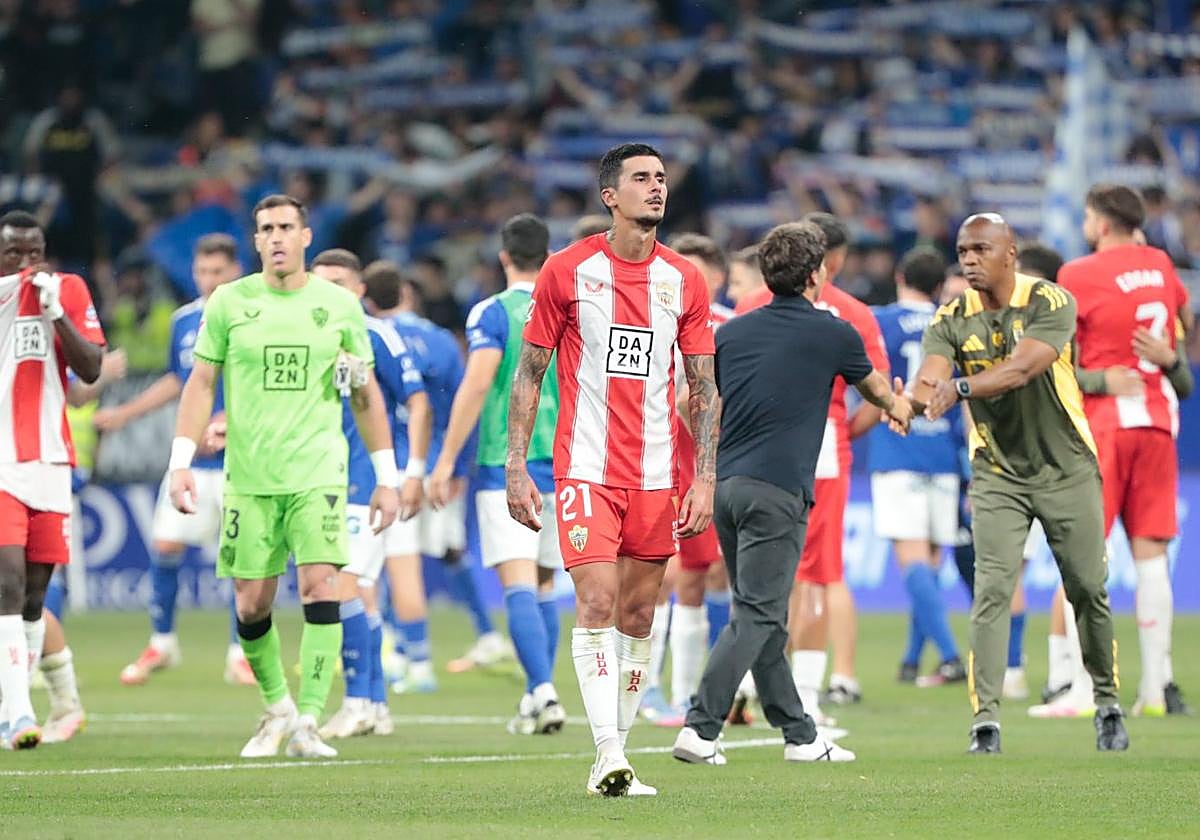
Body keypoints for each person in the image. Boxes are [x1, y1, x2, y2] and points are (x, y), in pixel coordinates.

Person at [506, 143, 720, 797]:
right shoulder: (566, 272)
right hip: (585, 471)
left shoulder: (684, 279)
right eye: (641, 179)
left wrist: (704, 477)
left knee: (637, 615)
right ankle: (606, 753)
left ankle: (616, 757)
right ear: (609, 195)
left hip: (658, 476)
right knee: (596, 601)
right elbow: (530, 374)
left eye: (660, 179)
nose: (656, 188)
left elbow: (704, 388)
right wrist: (518, 465)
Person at [168, 194, 400, 759]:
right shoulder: (229, 302)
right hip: (248, 475)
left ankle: (311, 721)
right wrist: (179, 463)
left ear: (305, 236)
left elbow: (366, 394)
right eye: (265, 228)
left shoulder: (339, 307)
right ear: (256, 241)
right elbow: (201, 385)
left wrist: (387, 477)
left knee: (322, 585)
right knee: (251, 603)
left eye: (285, 227)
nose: (275, 237)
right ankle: (278, 707)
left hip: (319, 471)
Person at [672, 221, 911, 766]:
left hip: (727, 488)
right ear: (817, 275)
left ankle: (799, 734)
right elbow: (879, 393)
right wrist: (905, 407)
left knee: (764, 614)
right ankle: (700, 726)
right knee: (757, 614)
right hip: (778, 491)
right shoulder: (833, 332)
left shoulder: (731, 332)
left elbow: (689, 403)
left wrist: (716, 453)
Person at [910, 212, 1127, 754]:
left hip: (1067, 468)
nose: (969, 260)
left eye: (980, 249)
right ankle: (985, 720)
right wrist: (914, 398)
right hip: (998, 473)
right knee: (992, 591)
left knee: (1086, 588)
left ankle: (1106, 701)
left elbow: (1022, 368)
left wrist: (956, 388)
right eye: (962, 251)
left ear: (1010, 253)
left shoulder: (1050, 301)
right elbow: (930, 375)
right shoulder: (952, 314)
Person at [1056, 185, 1193, 718]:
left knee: (1086, 558)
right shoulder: (1161, 264)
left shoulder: (1078, 275)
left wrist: (1098, 379)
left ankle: (1087, 688)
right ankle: (1157, 689)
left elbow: (1061, 364)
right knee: (1152, 557)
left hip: (1105, 427)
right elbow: (1178, 356)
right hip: (1159, 422)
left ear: (1101, 222)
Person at [95, 234, 255, 687]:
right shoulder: (186, 320)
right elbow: (178, 380)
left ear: (236, 271)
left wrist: (230, 417)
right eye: (202, 272)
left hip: (243, 460)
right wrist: (125, 413)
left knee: (242, 560)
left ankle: (240, 652)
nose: (208, 281)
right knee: (166, 546)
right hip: (193, 458)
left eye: (218, 272)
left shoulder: (257, 316)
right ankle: (162, 642)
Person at [428, 214, 567, 736]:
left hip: (506, 462)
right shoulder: (567, 307)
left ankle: (543, 692)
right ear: (548, 255)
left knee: (518, 580)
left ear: (504, 257)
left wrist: (445, 461)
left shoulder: (491, 313)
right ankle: (540, 692)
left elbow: (476, 384)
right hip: (567, 462)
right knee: (547, 583)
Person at [362, 261, 509, 693]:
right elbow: (461, 401)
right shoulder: (441, 341)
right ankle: (481, 634)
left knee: (390, 558)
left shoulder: (367, 339)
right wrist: (455, 465)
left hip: (387, 464)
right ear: (407, 297)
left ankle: (403, 653)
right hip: (437, 462)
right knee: (446, 550)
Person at [307, 249, 429, 740]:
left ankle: (358, 701)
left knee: (346, 587)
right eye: (323, 282)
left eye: (340, 282)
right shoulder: (310, 334)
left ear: (359, 288)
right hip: (318, 478)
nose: (332, 291)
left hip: (365, 481)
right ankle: (375, 706)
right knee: (361, 593)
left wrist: (411, 472)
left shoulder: (375, 335)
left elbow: (417, 402)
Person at [0, 209, 105, 749]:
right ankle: (15, 714)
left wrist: (57, 313)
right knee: (8, 583)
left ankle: (33, 703)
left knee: (35, 598)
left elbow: (90, 369)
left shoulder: (68, 289)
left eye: (33, 253)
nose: (25, 265)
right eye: (12, 253)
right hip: (0, 462)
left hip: (50, 463)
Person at [641, 233, 735, 725]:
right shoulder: (652, 322)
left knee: (704, 578)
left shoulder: (732, 328)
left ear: (716, 278)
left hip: (708, 467)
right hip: (654, 462)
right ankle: (647, 688)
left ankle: (691, 695)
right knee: (663, 576)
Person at [868, 247, 965, 684]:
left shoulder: (880, 321)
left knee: (912, 563)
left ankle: (949, 655)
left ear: (899, 274)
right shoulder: (952, 325)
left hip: (897, 448)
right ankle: (911, 659)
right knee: (927, 562)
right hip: (942, 454)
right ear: (940, 287)